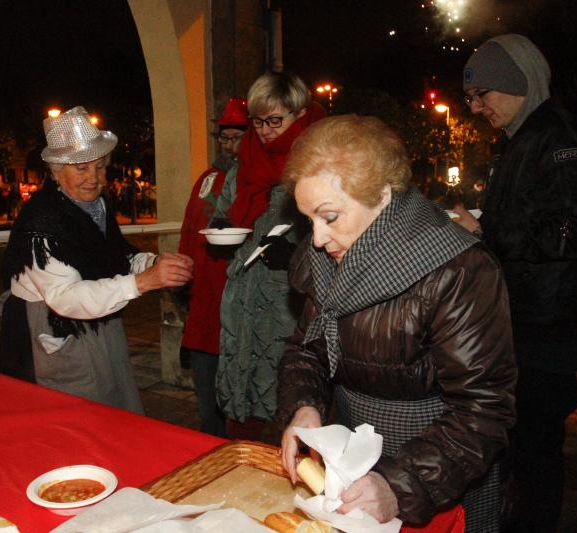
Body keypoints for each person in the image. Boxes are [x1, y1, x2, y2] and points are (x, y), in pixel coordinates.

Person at [278, 115, 517, 531]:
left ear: (383, 196)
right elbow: (306, 349)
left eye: (329, 216)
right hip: (354, 459)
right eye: (308, 219)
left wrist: (400, 483)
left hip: (441, 471)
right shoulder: (332, 256)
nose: (316, 238)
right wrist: (304, 406)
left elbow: (484, 410)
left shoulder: (459, 271)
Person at [453, 34, 577, 532]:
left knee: (538, 450)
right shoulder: (521, 138)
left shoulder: (559, 139)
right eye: (471, 98)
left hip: (546, 329)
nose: (476, 108)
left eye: (483, 95)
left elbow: (572, 232)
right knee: (515, 447)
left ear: (517, 86)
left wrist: (486, 229)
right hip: (520, 321)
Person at [0, 106, 193, 413]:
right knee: (77, 415)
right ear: (56, 170)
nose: (95, 178)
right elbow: (65, 298)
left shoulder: (95, 206)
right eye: (81, 168)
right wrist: (142, 282)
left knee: (113, 404)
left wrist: (152, 264)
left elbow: (115, 254)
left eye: (100, 167)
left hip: (98, 318)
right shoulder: (43, 221)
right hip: (57, 330)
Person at [212, 72, 326, 439]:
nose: (264, 131)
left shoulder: (320, 162)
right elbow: (230, 208)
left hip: (290, 302)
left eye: (275, 121)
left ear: (300, 114)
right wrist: (220, 224)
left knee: (286, 403)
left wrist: (297, 255)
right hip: (244, 298)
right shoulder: (245, 160)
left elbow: (345, 238)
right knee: (243, 419)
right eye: (257, 122)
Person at [178, 97, 248, 437]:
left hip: (238, 308)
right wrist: (181, 279)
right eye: (225, 138)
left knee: (239, 402)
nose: (229, 145)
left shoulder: (257, 183)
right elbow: (189, 230)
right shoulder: (207, 178)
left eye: (237, 137)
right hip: (203, 305)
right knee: (206, 397)